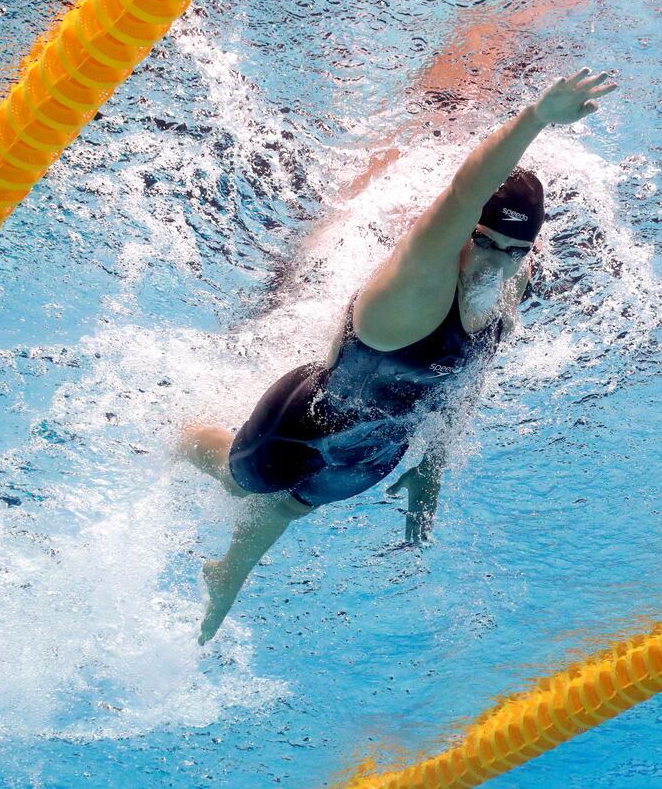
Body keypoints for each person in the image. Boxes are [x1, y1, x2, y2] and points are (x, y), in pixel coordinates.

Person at [181, 69, 617, 644]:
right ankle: (169, 435)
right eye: (483, 240)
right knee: (247, 484)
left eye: (513, 250)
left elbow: (464, 384)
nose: (494, 260)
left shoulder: (506, 281)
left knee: (295, 509)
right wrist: (535, 118)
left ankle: (227, 571)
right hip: (301, 427)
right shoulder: (417, 284)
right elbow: (465, 193)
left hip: (375, 449)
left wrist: (430, 470)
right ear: (464, 233)